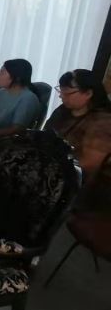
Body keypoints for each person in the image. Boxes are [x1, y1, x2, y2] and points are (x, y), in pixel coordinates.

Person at [45, 69, 111, 212]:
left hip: (77, 184)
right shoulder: (62, 111)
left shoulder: (103, 122)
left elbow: (88, 165)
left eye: (67, 93)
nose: (61, 96)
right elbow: (45, 136)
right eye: (61, 91)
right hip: (51, 169)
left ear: (88, 93)